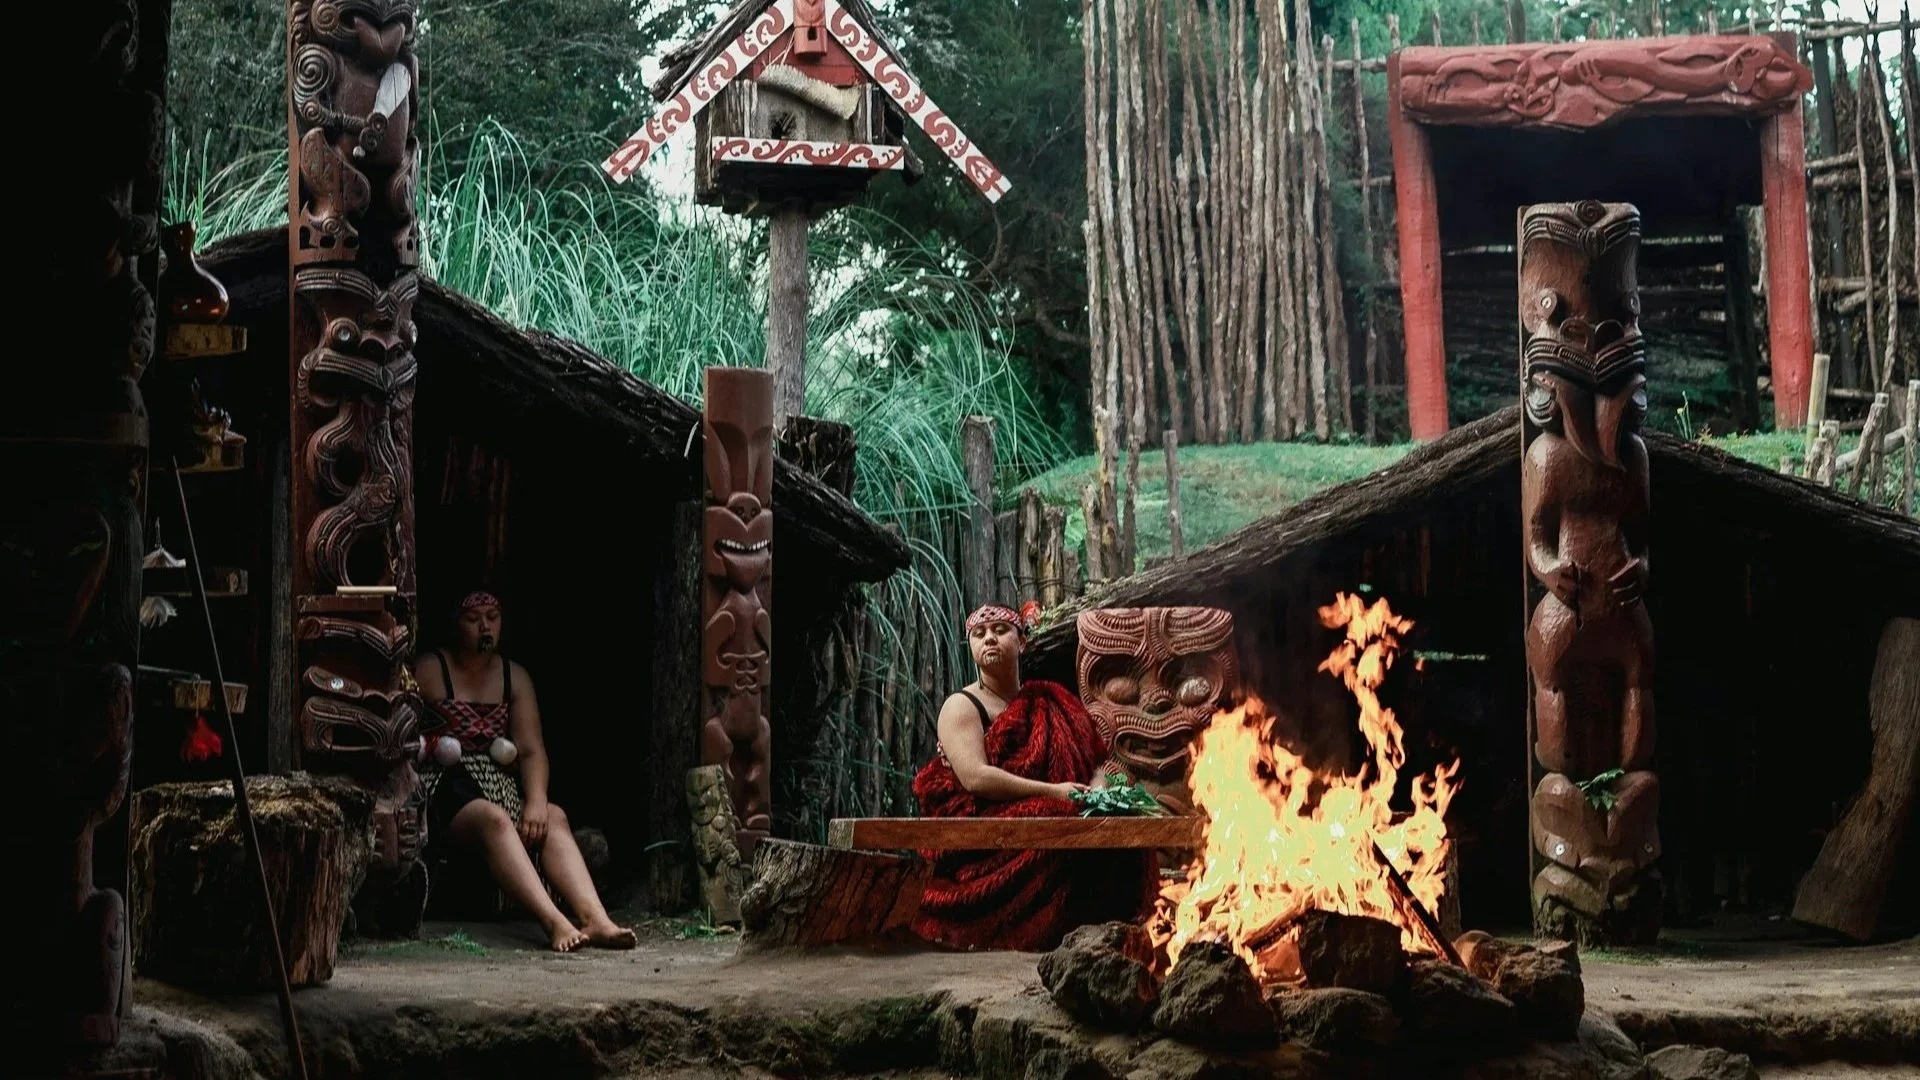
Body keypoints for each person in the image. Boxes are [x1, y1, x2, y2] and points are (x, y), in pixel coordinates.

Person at [910, 603, 1157, 952]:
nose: (989, 639)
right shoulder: (961, 706)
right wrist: (1055, 792)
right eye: (979, 635)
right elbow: (975, 779)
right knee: (1063, 819)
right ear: (972, 649)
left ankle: (1120, 924)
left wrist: (1099, 791)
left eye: (1000, 630)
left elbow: (1097, 759)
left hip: (1053, 804)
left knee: (1121, 821)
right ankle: (1043, 929)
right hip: (981, 825)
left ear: (1022, 642)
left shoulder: (1051, 700)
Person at [413, 592, 636, 952]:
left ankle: (596, 918)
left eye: (493, 616)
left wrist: (535, 800)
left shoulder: (513, 678)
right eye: (474, 619)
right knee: (495, 820)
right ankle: (554, 922)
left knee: (553, 817)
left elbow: (531, 750)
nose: (485, 626)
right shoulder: (429, 670)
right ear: (456, 624)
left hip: (496, 782)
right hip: (444, 787)